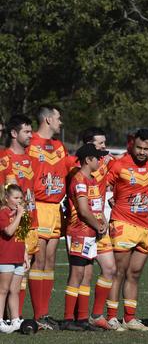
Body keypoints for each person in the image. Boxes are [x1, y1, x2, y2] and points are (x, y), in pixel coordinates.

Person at [105, 129, 148, 331]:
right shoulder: (119, 164)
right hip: (122, 223)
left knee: (135, 274)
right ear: (132, 145)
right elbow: (101, 184)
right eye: (139, 148)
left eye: (146, 149)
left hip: (143, 226)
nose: (142, 152)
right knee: (118, 272)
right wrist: (108, 197)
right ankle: (111, 317)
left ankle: (129, 318)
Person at [26, 105, 68, 330]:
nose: (61, 123)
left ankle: (43, 313)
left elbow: (72, 168)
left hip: (54, 208)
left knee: (49, 261)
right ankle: (28, 315)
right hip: (36, 207)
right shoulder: (30, 142)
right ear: (48, 120)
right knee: (36, 260)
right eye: (58, 118)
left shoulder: (60, 147)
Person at [61, 144, 109, 331]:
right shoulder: (79, 180)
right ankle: (67, 319)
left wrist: (103, 222)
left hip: (90, 233)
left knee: (87, 274)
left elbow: (96, 207)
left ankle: (82, 318)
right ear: (89, 160)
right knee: (77, 274)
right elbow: (83, 210)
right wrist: (98, 226)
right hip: (79, 232)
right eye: (98, 158)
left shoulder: (92, 179)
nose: (100, 161)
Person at [74, 128, 118, 330]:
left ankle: (96, 315)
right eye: (100, 144)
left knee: (110, 269)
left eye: (104, 143)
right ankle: (79, 317)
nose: (104, 147)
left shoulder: (106, 163)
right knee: (85, 275)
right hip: (83, 226)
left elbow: (131, 165)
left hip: (100, 225)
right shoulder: (77, 168)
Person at [0, 114, 38, 319]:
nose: (31, 135)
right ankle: (6, 317)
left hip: (27, 221)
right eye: (27, 131)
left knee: (22, 269)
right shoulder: (4, 159)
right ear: (14, 133)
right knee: (7, 273)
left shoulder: (30, 158)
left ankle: (16, 317)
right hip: (12, 222)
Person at [0, 184, 30, 334]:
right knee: (3, 290)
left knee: (15, 291)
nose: (19, 201)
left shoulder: (20, 213)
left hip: (18, 257)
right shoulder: (4, 212)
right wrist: (18, 215)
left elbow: (21, 235)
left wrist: (25, 256)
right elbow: (9, 231)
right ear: (7, 198)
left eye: (21, 198)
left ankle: (15, 319)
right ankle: (0, 320)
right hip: (5, 257)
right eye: (15, 198)